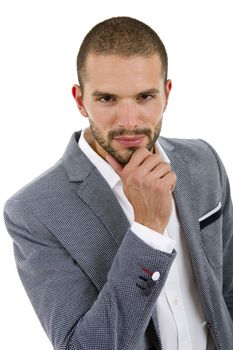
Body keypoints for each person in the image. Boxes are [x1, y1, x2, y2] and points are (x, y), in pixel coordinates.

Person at [3, 16, 233, 350]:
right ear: (80, 100)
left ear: (166, 94)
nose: (128, 122)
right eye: (108, 99)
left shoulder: (203, 162)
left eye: (144, 97)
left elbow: (227, 287)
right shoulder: (34, 212)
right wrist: (149, 230)